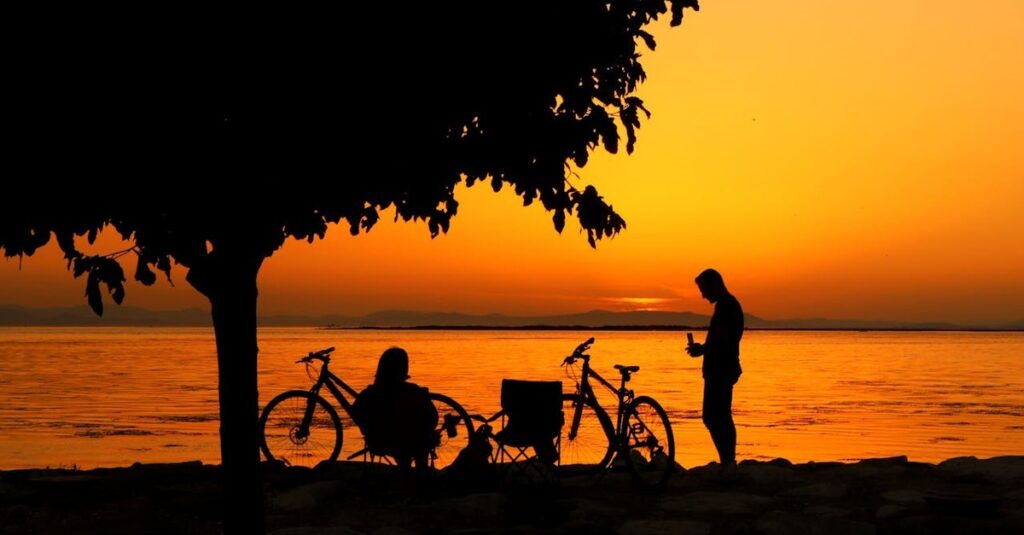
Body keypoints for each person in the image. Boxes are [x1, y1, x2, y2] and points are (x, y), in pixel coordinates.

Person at [685, 268, 743, 472]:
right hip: (720, 367)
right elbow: (720, 339)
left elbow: (724, 339)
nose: (703, 295)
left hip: (722, 368)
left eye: (704, 289)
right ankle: (727, 461)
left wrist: (704, 349)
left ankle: (728, 462)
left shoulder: (727, 306)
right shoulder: (726, 305)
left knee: (716, 416)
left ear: (715, 285)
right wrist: (703, 350)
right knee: (717, 416)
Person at [351, 347, 439, 472]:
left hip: (380, 443)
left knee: (408, 441)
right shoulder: (414, 391)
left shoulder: (369, 393)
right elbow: (432, 417)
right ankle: (420, 474)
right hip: (413, 442)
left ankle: (405, 470)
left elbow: (356, 413)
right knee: (420, 440)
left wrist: (369, 432)